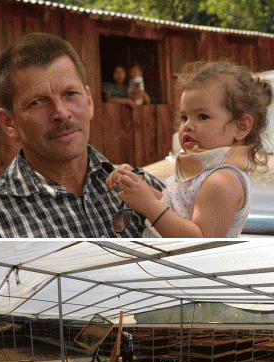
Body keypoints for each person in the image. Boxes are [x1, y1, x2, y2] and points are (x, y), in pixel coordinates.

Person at [0, 34, 163, 238]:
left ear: (89, 101)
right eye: (37, 102)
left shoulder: (145, 188)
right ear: (9, 123)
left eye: (70, 94)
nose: (61, 113)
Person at [106, 61, 272, 239]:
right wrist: (137, 186)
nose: (187, 126)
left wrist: (148, 205)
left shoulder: (223, 180)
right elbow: (172, 205)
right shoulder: (200, 170)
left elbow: (201, 242)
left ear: (241, 127)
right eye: (184, 117)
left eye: (202, 116)